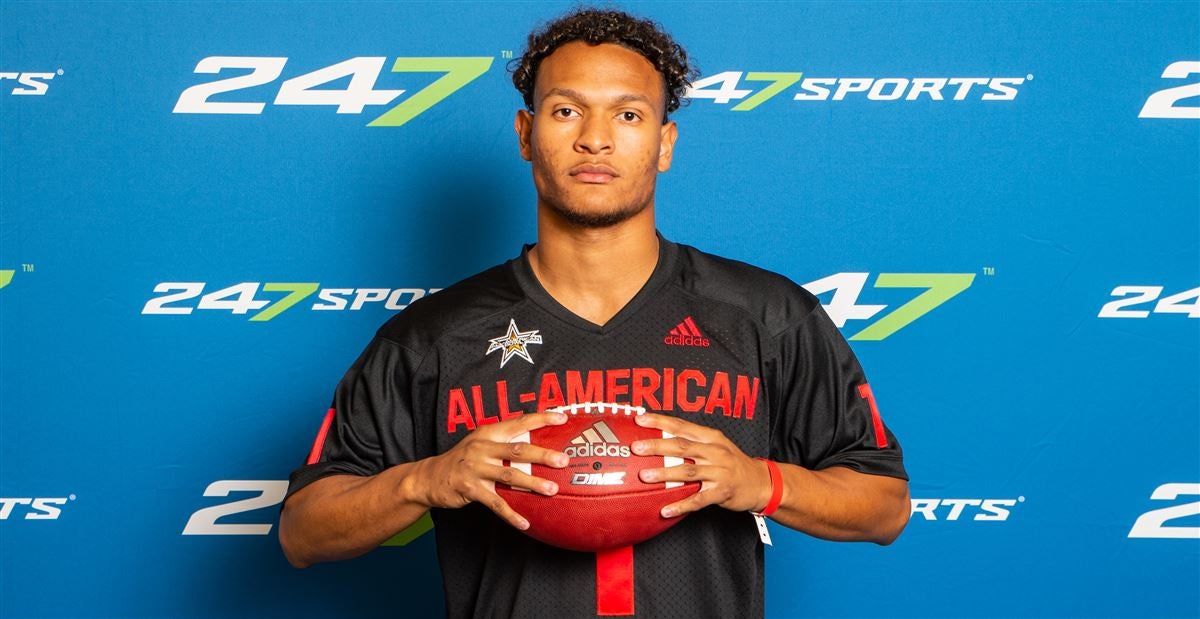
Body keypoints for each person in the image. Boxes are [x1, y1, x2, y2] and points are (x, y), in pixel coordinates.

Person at [279, 7, 909, 618]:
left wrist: (763, 483)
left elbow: (885, 506)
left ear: (665, 144)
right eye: (566, 110)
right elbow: (303, 532)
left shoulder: (766, 316)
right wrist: (425, 480)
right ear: (527, 135)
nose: (595, 137)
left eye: (628, 114)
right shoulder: (434, 336)